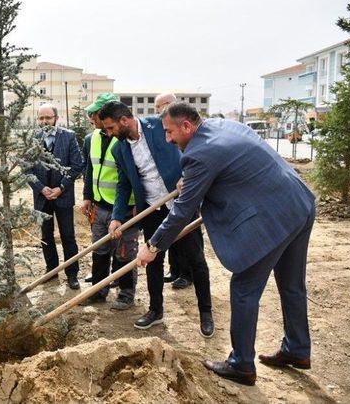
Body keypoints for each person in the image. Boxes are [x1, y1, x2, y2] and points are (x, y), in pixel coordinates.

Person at [135, 102, 315, 386]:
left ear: (187, 126)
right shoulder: (222, 126)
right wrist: (192, 182)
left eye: (170, 132)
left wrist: (153, 247)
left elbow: (182, 211)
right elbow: (229, 168)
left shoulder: (198, 153)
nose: (168, 139)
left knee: (243, 288)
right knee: (292, 285)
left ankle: (241, 364)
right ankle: (298, 349)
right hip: (298, 202)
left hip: (275, 215)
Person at [100, 101, 214, 337]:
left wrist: (188, 176)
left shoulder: (159, 126)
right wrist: (116, 217)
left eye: (110, 128)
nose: (109, 134)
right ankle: (155, 310)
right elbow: (123, 185)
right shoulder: (118, 149)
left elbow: (189, 146)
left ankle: (205, 312)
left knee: (196, 259)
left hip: (181, 203)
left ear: (124, 121)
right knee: (152, 261)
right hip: (153, 209)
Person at [81, 93, 139, 309]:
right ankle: (98, 290)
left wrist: (135, 206)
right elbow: (90, 169)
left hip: (124, 209)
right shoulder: (91, 139)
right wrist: (87, 196)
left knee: (125, 252)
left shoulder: (123, 138)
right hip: (99, 205)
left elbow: (132, 177)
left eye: (95, 113)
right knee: (100, 250)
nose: (91, 117)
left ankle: (125, 293)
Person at [28, 103, 83, 290]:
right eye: (41, 118)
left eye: (48, 118)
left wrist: (61, 188)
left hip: (63, 196)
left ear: (56, 119)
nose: (45, 122)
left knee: (68, 236)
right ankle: (51, 270)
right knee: (46, 235)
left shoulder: (69, 137)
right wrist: (41, 188)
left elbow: (77, 165)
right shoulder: (32, 139)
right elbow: (27, 169)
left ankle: (72, 274)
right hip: (42, 197)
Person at [155, 93, 207, 290]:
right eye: (157, 107)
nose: (159, 110)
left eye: (161, 106)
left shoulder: (189, 132)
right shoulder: (166, 131)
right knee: (172, 235)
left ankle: (188, 273)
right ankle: (175, 269)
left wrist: (186, 177)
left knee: (188, 235)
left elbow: (193, 159)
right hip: (171, 191)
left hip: (187, 189)